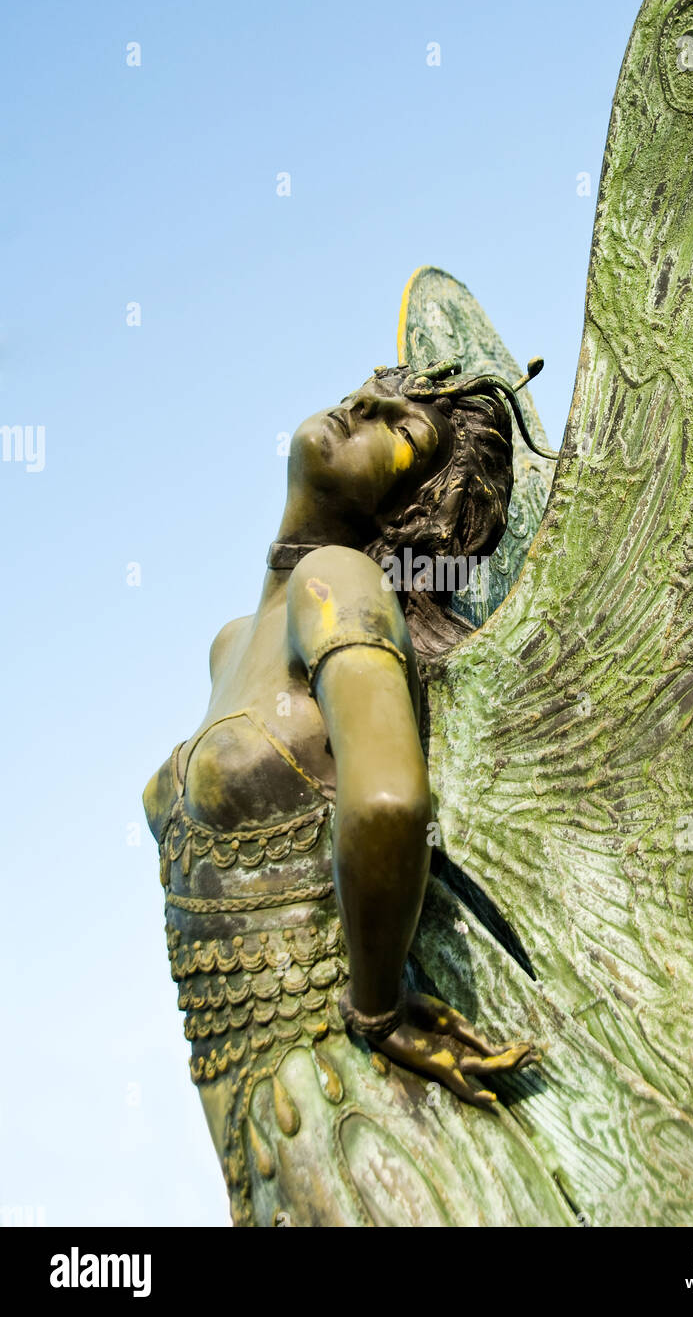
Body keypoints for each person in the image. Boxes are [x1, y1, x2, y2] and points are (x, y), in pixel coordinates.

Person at [143, 359, 566, 1227]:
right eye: (377, 388)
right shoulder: (231, 645)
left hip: (343, 1097)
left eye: (401, 434)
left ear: (407, 509)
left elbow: (386, 804)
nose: (367, 404)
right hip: (251, 1113)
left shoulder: (336, 582)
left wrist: (377, 1006)